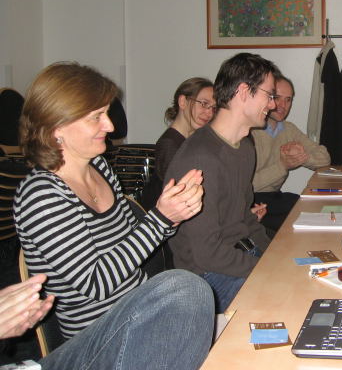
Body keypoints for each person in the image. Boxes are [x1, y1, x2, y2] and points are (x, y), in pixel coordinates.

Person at [13, 62, 214, 368]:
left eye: (106, 113)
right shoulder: (41, 194)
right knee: (186, 287)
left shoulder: (100, 168)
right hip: (94, 339)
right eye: (96, 116)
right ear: (56, 126)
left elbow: (134, 241)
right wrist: (160, 219)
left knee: (209, 294)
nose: (109, 126)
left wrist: (174, 214)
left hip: (136, 312)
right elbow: (96, 283)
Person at [165, 53, 277, 312]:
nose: (272, 104)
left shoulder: (244, 147)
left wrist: (275, 255)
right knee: (291, 298)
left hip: (240, 256)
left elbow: (245, 218)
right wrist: (268, 268)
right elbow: (207, 254)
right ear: (243, 91)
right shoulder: (200, 158)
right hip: (208, 278)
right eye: (269, 95)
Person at [251, 75, 330, 232]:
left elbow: (324, 158)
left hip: (273, 197)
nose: (283, 105)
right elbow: (247, 186)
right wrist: (283, 165)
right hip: (251, 201)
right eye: (277, 98)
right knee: (300, 221)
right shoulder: (250, 131)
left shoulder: (288, 128)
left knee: (313, 205)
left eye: (288, 100)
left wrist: (300, 157)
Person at [141, 77, 215, 210]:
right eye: (204, 104)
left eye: (213, 108)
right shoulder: (169, 144)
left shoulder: (193, 141)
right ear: (183, 102)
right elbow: (183, 194)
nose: (209, 112)